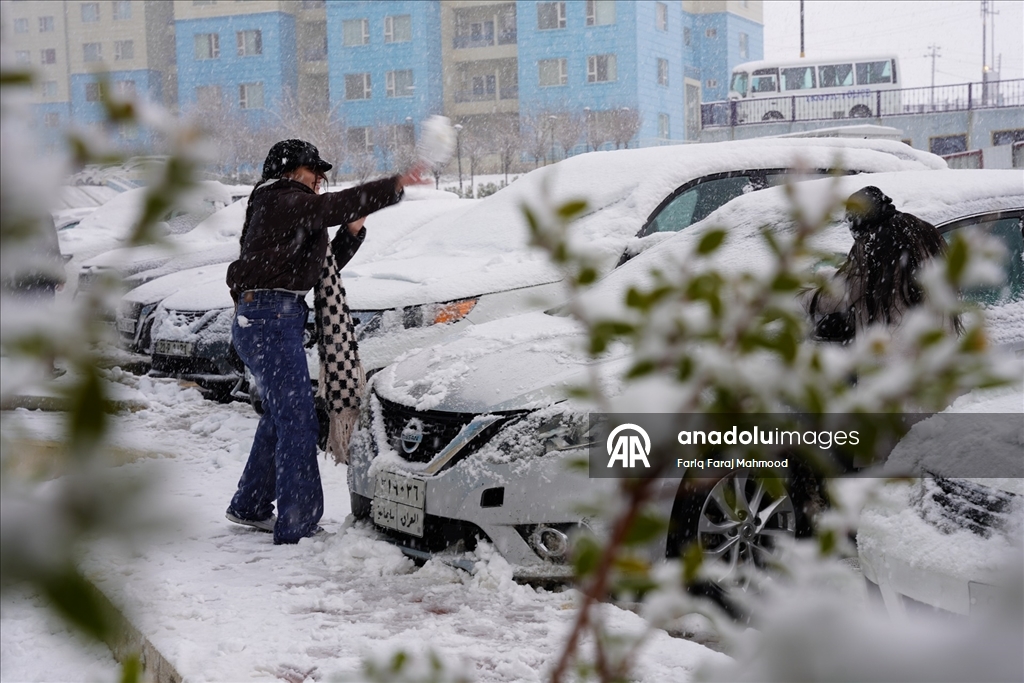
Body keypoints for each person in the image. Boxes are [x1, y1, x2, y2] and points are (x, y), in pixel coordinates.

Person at [225, 139, 422, 544]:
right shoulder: (280, 198)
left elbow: (315, 268)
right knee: (297, 419)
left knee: (282, 415)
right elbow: (329, 207)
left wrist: (352, 231)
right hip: (270, 318)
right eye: (315, 172)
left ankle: (250, 504)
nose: (319, 180)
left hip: (272, 317)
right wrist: (392, 186)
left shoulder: (284, 207)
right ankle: (298, 523)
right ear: (292, 170)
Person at [807, 185, 961, 343]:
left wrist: (801, 299)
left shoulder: (873, 244)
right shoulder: (926, 231)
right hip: (942, 343)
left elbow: (843, 295)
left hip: (900, 353)